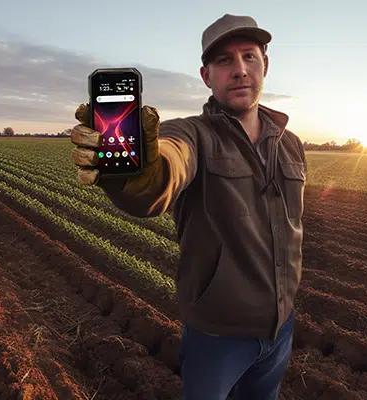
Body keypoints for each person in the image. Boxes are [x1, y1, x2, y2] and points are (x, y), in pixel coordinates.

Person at [69, 13, 306, 400]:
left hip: (280, 329)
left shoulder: (291, 144)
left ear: (266, 64)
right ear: (206, 75)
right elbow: (166, 166)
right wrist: (139, 173)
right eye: (224, 61)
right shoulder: (192, 134)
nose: (240, 70)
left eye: (249, 56)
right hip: (217, 337)